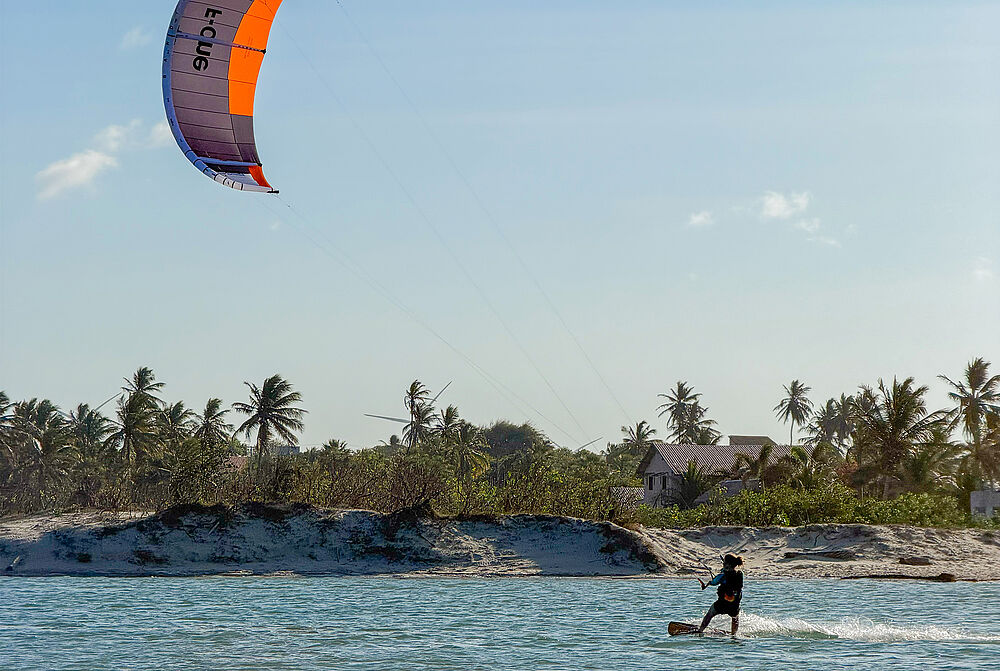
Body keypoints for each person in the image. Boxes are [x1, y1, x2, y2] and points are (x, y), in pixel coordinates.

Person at [697, 553, 744, 635]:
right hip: (734, 603)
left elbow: (714, 582)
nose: (722, 564)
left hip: (723, 603)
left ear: (727, 564)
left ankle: (700, 630)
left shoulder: (722, 575)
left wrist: (707, 584)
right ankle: (734, 634)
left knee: (709, 614)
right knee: (735, 617)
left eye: (724, 563)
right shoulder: (740, 574)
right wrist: (725, 570)